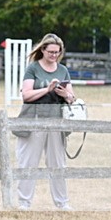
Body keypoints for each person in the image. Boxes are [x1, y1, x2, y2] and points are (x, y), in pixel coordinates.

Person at [16, 33, 76, 210]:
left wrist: (65, 94)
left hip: (56, 120)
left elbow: (72, 97)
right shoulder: (33, 68)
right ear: (43, 50)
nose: (54, 56)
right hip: (34, 119)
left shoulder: (63, 70)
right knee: (29, 162)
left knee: (57, 163)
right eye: (51, 52)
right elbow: (26, 95)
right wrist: (46, 89)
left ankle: (62, 203)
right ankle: (24, 202)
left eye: (57, 52)